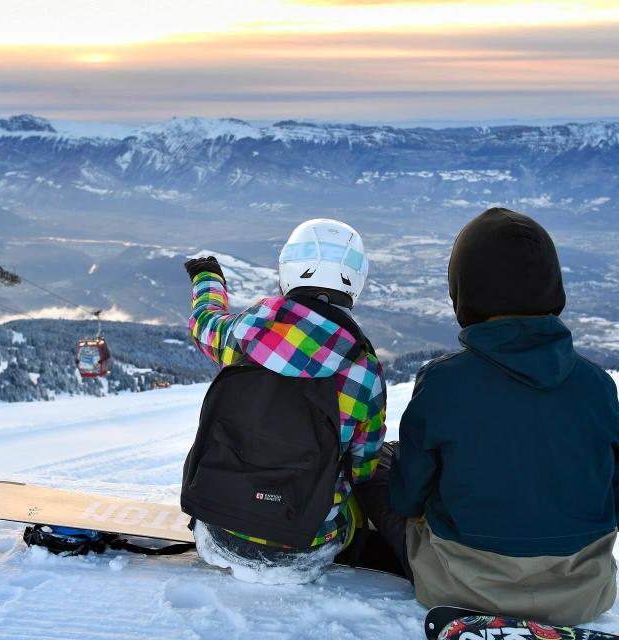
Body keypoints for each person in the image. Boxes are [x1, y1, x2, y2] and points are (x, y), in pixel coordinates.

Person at [359, 207, 619, 625]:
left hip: (463, 585)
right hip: (583, 590)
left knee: (376, 469)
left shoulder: (444, 383)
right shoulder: (599, 387)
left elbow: (407, 499)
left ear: (464, 288)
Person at [180, 219, 387, 584]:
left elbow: (204, 323)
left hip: (216, 531)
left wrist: (207, 277)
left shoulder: (246, 334)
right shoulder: (362, 370)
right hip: (305, 547)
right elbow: (362, 468)